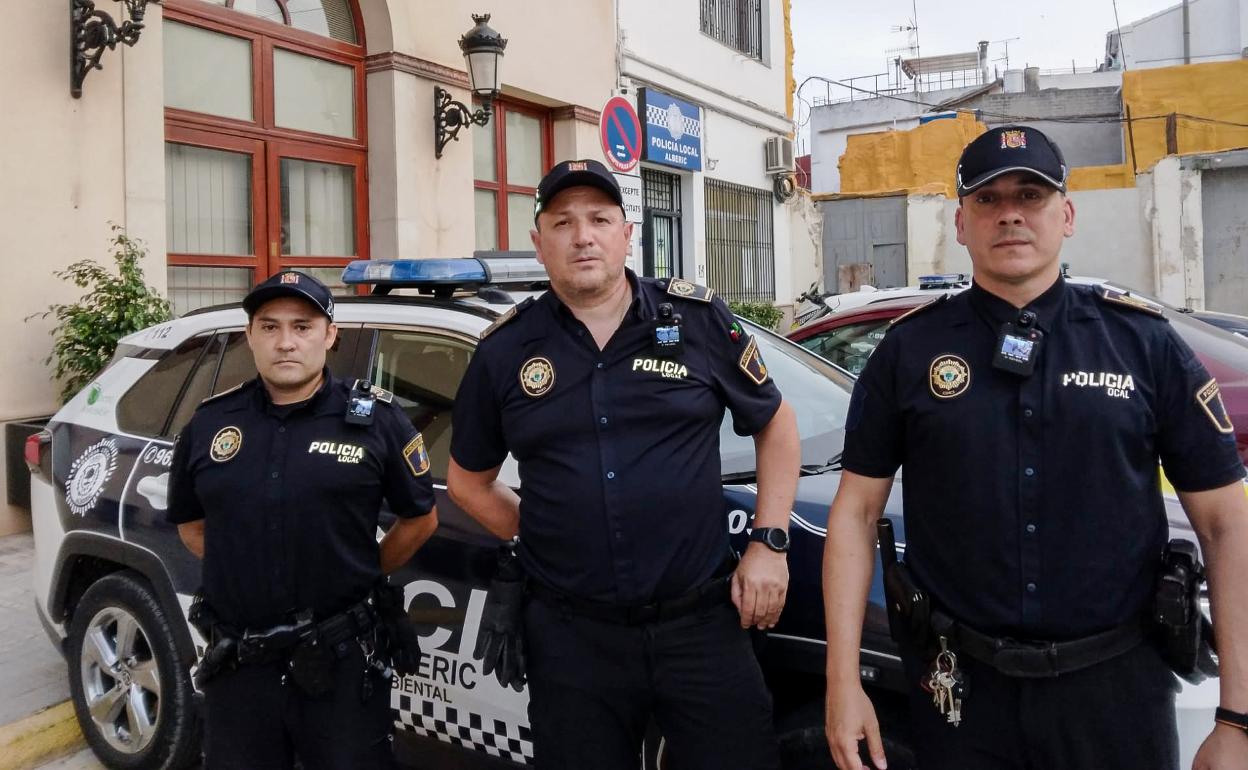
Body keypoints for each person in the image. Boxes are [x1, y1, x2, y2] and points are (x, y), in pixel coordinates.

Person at [821, 125, 1248, 770]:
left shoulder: (1143, 345)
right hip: (962, 694)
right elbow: (854, 515)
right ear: (960, 223)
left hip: (1115, 693)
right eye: (987, 199)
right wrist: (841, 679)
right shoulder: (907, 352)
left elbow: (1225, 521)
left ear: (1066, 215)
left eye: (1032, 194)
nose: (1011, 213)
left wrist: (1238, 716)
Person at [447, 159, 801, 770]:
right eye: (563, 222)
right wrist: (547, 533)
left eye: (599, 219)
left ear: (626, 232)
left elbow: (775, 423)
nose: (582, 235)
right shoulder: (505, 350)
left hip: (700, 627)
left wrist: (769, 542)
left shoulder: (695, 319)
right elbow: (467, 483)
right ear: (539, 243)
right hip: (572, 638)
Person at [168, 270, 438, 769]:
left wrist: (358, 571)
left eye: (303, 326)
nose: (286, 342)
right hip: (240, 662)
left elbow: (420, 519)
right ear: (249, 336)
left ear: (330, 335)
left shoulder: (376, 421)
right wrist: (252, 567)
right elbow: (192, 527)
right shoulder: (210, 423)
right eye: (269, 327)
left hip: (340, 659)